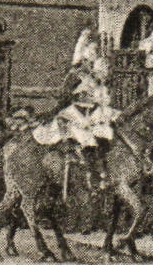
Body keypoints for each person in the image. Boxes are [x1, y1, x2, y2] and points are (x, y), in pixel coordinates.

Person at [33, 29, 117, 190]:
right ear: (84, 57)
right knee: (82, 133)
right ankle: (83, 165)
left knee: (105, 130)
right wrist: (79, 96)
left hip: (91, 111)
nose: (92, 60)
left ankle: (102, 166)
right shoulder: (76, 75)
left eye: (93, 55)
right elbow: (66, 94)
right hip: (76, 110)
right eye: (90, 56)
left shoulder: (94, 76)